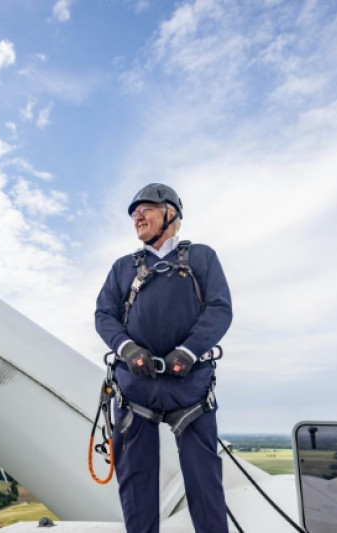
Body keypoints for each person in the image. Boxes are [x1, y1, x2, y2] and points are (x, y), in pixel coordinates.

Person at [95, 183, 233, 533]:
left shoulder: (202, 257)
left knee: (204, 480)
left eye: (147, 208)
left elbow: (219, 309)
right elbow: (103, 315)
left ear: (171, 213)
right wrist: (128, 349)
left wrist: (188, 352)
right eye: (133, 212)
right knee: (136, 480)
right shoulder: (123, 267)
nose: (137, 215)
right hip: (135, 387)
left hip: (190, 387)